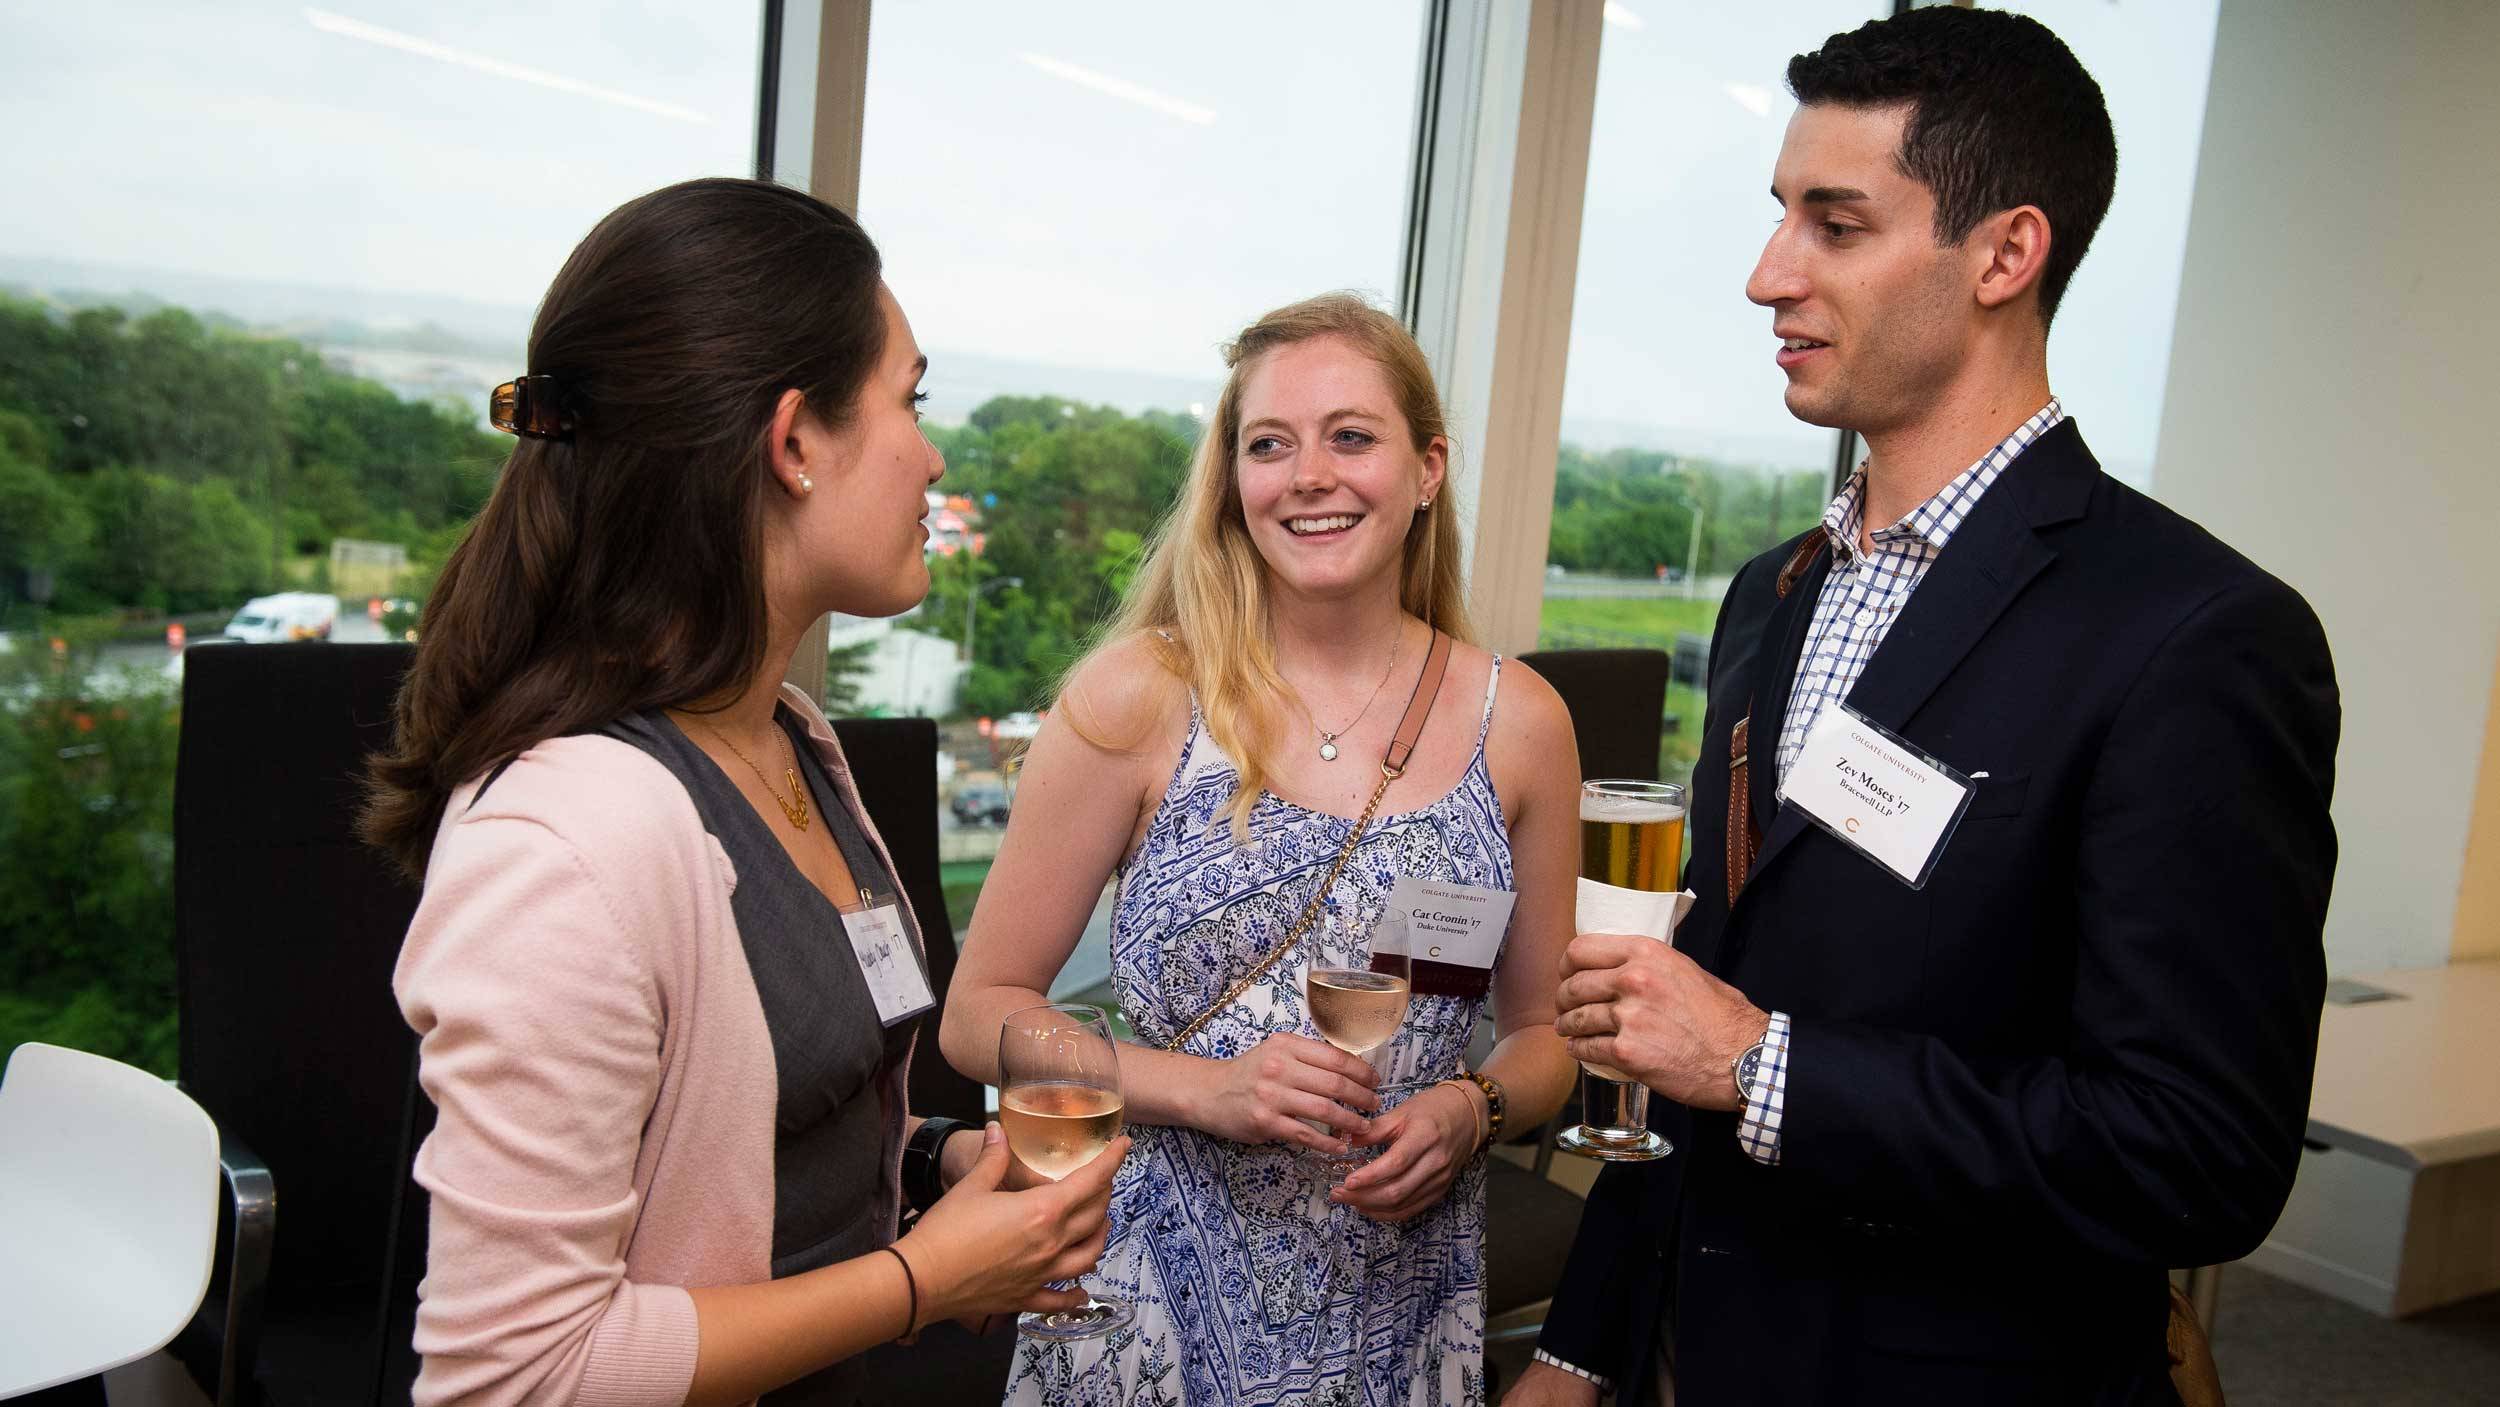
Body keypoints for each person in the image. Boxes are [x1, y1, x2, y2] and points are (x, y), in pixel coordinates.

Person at [1512, 10, 2340, 1405]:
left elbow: (2196, 1152)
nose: (1768, 274)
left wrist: (1765, 1065)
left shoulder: (2196, 635)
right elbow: (1706, 1000)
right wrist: (1581, 1338)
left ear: (2005, 255)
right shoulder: (1772, 591)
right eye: (1781, 213)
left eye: (1835, 225)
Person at [362, 178, 1123, 1407]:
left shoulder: (787, 741)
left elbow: (761, 1118)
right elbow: (514, 1378)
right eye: (911, 401)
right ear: (794, 443)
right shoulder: (565, 848)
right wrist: (926, 1281)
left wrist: (930, 1160)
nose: (932, 455)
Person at [939, 293, 1582, 1404]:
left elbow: (1546, 1038)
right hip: (1143, 1303)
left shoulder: (1519, 725)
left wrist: (1472, 1110)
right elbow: (978, 1014)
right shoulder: (1140, 696)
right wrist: (1206, 1090)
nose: (1309, 476)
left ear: (1427, 468)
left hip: (1398, 1306)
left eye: (1351, 437)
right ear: (1233, 481)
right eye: (1270, 445)